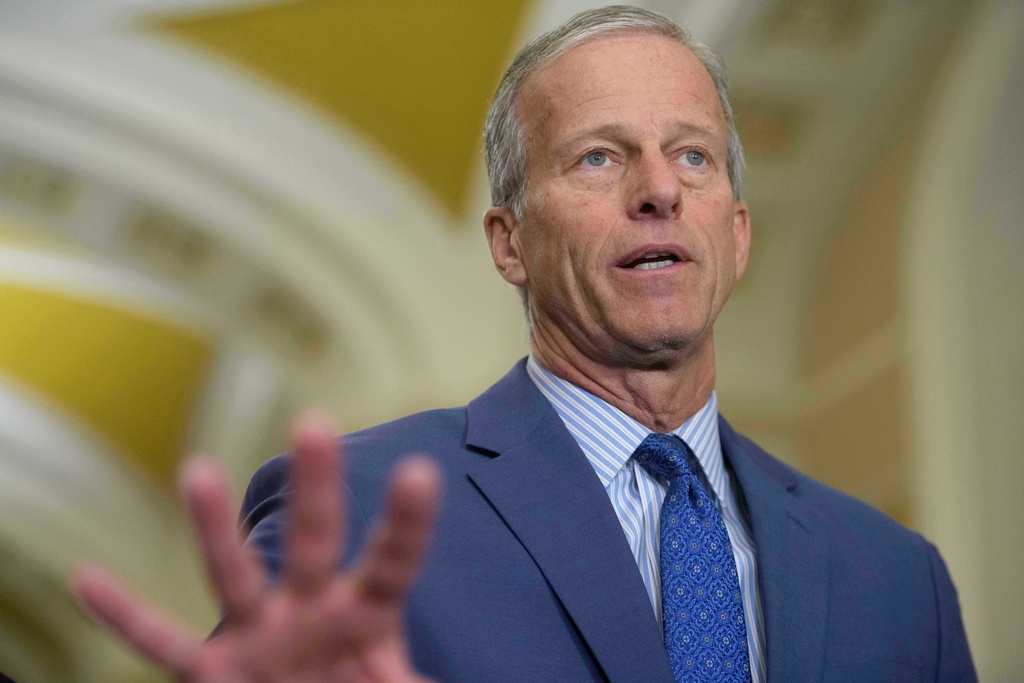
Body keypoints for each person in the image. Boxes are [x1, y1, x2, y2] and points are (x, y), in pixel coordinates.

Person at [73, 6, 977, 682]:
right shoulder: (359, 513)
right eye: (599, 157)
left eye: (694, 155)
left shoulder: (901, 581)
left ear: (736, 233)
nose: (659, 188)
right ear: (510, 242)